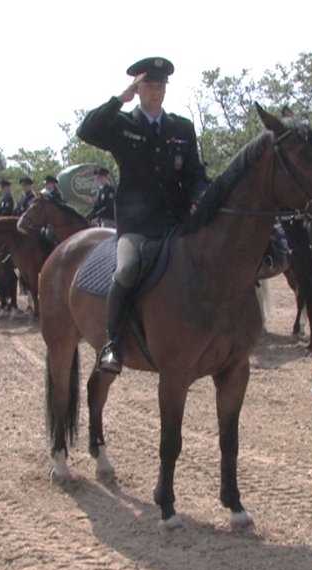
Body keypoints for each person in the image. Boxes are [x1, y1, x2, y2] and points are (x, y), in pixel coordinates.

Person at [75, 56, 209, 374]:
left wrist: (198, 197)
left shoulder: (181, 127)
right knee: (127, 270)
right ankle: (113, 344)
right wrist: (120, 99)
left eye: (160, 85)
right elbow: (86, 130)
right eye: (149, 84)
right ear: (138, 86)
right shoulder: (123, 125)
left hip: (177, 221)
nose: (156, 90)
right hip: (137, 225)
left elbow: (196, 175)